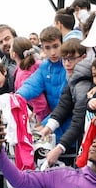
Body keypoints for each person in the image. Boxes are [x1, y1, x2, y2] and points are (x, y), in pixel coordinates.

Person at [37, 38, 91, 166]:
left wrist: (60, 147)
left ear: (83, 58)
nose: (67, 64)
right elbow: (63, 105)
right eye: (64, 59)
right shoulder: (72, 79)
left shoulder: (83, 83)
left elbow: (79, 119)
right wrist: (48, 128)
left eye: (71, 59)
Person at [10, 36, 49, 123]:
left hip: (46, 117)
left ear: (13, 54)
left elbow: (40, 103)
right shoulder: (35, 64)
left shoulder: (24, 75)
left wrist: (40, 123)